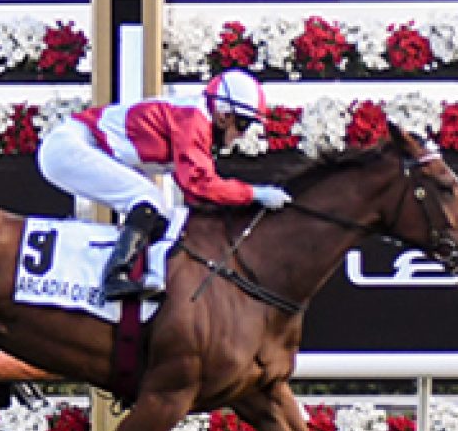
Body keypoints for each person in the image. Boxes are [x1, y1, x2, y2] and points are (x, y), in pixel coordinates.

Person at [36, 68, 292, 302]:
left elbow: (197, 197)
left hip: (82, 146)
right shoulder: (193, 121)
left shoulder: (197, 118)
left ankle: (148, 276)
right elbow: (199, 185)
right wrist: (253, 194)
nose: (241, 135)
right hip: (69, 147)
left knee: (162, 209)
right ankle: (115, 277)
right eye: (243, 124)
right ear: (224, 116)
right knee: (147, 197)